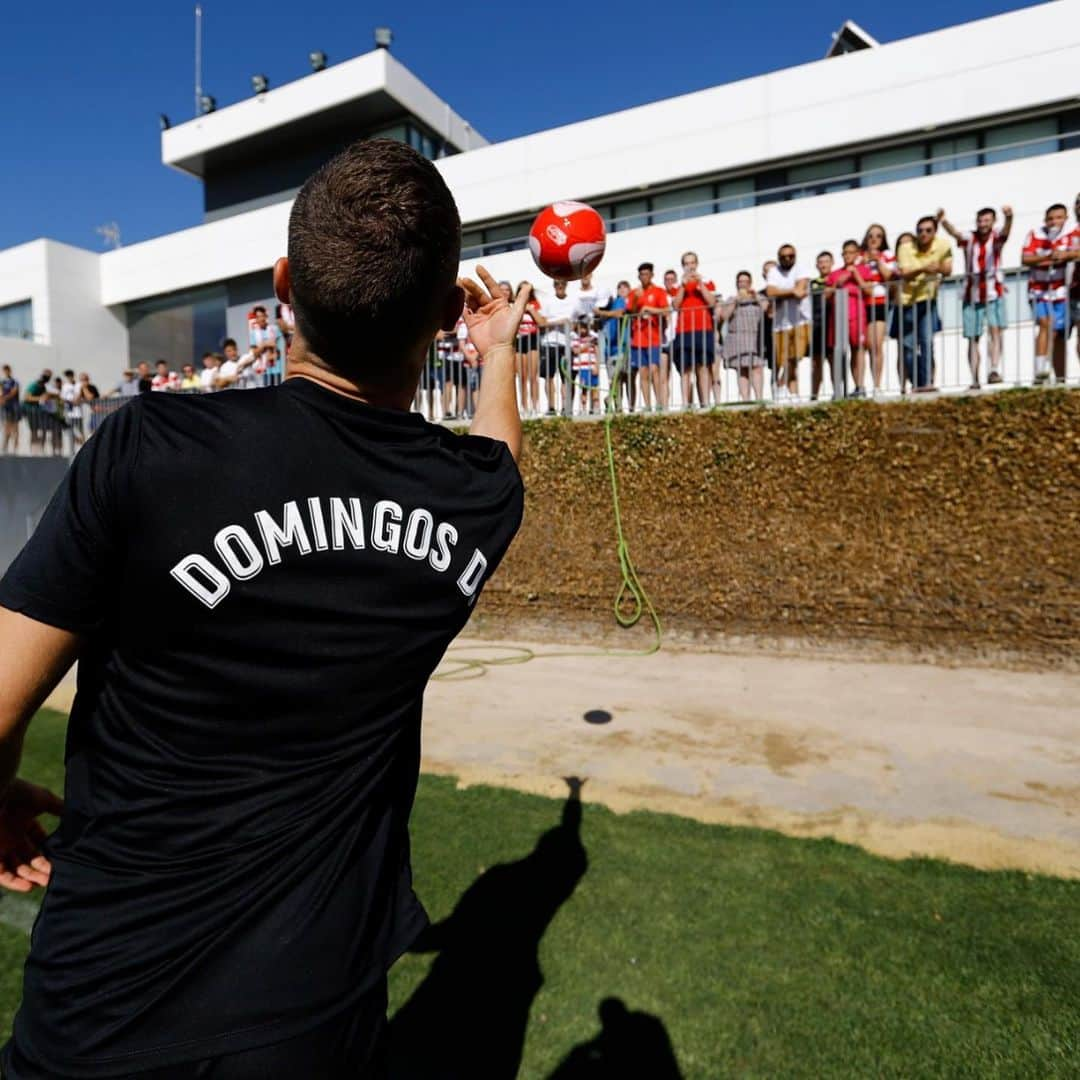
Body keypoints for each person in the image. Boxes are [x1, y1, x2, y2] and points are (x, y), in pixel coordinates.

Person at [0, 137, 528, 1078]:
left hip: (102, 1011)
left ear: (282, 285)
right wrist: (497, 355)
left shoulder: (150, 449)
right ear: (446, 315)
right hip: (313, 1021)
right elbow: (501, 456)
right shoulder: (472, 500)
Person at [938, 205, 1013, 388]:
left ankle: (994, 369)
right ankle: (974, 378)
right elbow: (955, 233)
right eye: (980, 220)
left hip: (993, 292)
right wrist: (944, 221)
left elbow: (1006, 231)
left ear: (993, 221)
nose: (982, 224)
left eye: (987, 220)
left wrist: (1009, 217)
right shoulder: (969, 238)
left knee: (995, 331)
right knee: (973, 337)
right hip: (971, 295)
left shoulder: (996, 237)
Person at [1021, 202, 1076, 384]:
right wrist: (1048, 257)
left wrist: (1067, 255)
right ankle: (1040, 372)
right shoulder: (1035, 234)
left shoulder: (1073, 233)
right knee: (1045, 324)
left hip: (1061, 290)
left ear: (1066, 218)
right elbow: (1026, 258)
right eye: (1051, 218)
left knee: (1059, 334)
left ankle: (1061, 378)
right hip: (1039, 290)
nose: (1054, 221)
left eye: (1059, 217)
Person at [896, 216, 952, 392]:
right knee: (909, 346)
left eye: (928, 230)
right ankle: (917, 383)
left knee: (927, 342)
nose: (923, 234)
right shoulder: (905, 248)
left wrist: (939, 269)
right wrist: (924, 268)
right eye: (920, 230)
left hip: (928, 301)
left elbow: (948, 270)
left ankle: (927, 382)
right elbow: (904, 273)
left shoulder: (943, 245)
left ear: (935, 232)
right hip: (907, 303)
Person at [825, 240, 872, 398]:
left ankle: (859, 386)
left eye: (851, 252)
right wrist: (838, 283)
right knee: (837, 353)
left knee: (858, 350)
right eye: (845, 253)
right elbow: (826, 295)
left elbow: (869, 291)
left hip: (857, 316)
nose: (847, 256)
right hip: (837, 318)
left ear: (857, 254)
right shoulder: (834, 274)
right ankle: (838, 389)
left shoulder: (863, 270)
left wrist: (855, 274)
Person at [671, 252, 716, 410]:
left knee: (703, 367)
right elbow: (675, 305)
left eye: (692, 263)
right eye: (686, 263)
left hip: (703, 328)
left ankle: (705, 401)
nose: (690, 266)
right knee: (685, 368)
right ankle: (685, 402)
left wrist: (700, 284)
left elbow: (712, 302)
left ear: (696, 264)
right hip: (684, 330)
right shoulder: (678, 286)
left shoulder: (707, 282)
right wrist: (683, 286)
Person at [765, 245, 811, 400]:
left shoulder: (801, 268)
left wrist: (782, 293)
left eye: (790, 256)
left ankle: (781, 384)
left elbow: (801, 289)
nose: (787, 259)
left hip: (800, 320)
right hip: (780, 324)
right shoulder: (773, 271)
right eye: (783, 256)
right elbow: (771, 292)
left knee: (796, 356)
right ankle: (792, 393)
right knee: (784, 359)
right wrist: (792, 291)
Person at [625, 262, 669, 413]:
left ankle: (659, 403)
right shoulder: (634, 293)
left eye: (646, 274)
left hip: (654, 338)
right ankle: (647, 404)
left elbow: (665, 310)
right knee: (642, 371)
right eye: (641, 274)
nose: (644, 277)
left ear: (651, 275)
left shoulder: (658, 291)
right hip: (638, 338)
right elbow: (629, 312)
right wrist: (637, 300)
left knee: (654, 369)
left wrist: (649, 309)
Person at [857, 224, 896, 395]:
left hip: (879, 302)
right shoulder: (858, 257)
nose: (874, 239)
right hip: (860, 304)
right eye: (871, 235)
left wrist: (877, 260)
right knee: (860, 346)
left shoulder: (887, 255)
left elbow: (889, 276)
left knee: (876, 345)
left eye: (878, 236)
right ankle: (860, 385)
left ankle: (877, 385)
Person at [719, 272, 767, 402]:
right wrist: (735, 301)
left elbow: (767, 308)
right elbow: (724, 316)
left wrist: (755, 296)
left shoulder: (758, 298)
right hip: (737, 338)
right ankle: (745, 399)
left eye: (745, 282)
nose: (743, 284)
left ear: (750, 283)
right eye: (740, 282)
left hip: (755, 336)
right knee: (742, 369)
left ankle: (759, 398)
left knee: (756, 367)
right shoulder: (731, 299)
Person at [538, 278, 576, 416]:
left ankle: (566, 407)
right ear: (554, 286)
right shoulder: (548, 301)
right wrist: (560, 322)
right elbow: (541, 322)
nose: (560, 286)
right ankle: (551, 407)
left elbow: (576, 323)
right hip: (550, 343)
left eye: (562, 284)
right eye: (557, 284)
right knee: (549, 376)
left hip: (566, 344)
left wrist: (569, 325)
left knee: (566, 377)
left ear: (566, 285)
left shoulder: (573, 302)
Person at [596, 281, 631, 412]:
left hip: (621, 346)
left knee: (621, 376)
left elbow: (619, 313)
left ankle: (613, 400)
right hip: (610, 350)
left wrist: (600, 313)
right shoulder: (605, 308)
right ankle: (617, 404)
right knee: (615, 378)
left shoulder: (618, 301)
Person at [809, 251, 834, 401]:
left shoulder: (836, 280)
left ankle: (837, 391)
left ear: (832, 263)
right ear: (817, 265)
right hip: (817, 326)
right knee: (816, 362)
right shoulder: (812, 284)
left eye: (826, 261)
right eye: (821, 262)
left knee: (833, 360)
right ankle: (814, 395)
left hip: (832, 325)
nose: (824, 264)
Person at [515, 281, 541, 417]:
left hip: (532, 339)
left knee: (533, 376)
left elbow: (542, 322)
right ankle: (524, 407)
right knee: (522, 377)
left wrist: (531, 310)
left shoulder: (535, 304)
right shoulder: (514, 305)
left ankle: (535, 406)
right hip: (519, 341)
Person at [571, 320, 601, 415]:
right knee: (584, 388)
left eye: (584, 328)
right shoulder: (575, 341)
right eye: (580, 328)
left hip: (592, 366)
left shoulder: (594, 339)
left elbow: (597, 353)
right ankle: (583, 408)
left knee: (594, 387)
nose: (582, 330)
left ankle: (596, 407)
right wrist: (587, 345)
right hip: (582, 368)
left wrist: (597, 366)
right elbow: (576, 351)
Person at [659, 269, 678, 409]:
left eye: (672, 279)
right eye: (667, 279)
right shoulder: (661, 295)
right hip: (663, 339)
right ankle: (664, 407)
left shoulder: (680, 294)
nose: (669, 282)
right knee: (664, 376)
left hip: (679, 338)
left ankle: (688, 404)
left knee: (686, 374)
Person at [1, 365, 21, 454]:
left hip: (14, 407)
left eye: (8, 370)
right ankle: (5, 447)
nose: (6, 372)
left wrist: (4, 398)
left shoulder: (14, 382)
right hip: (6, 408)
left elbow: (14, 391)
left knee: (15, 428)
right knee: (6, 428)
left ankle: (15, 449)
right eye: (5, 370)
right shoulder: (2, 382)